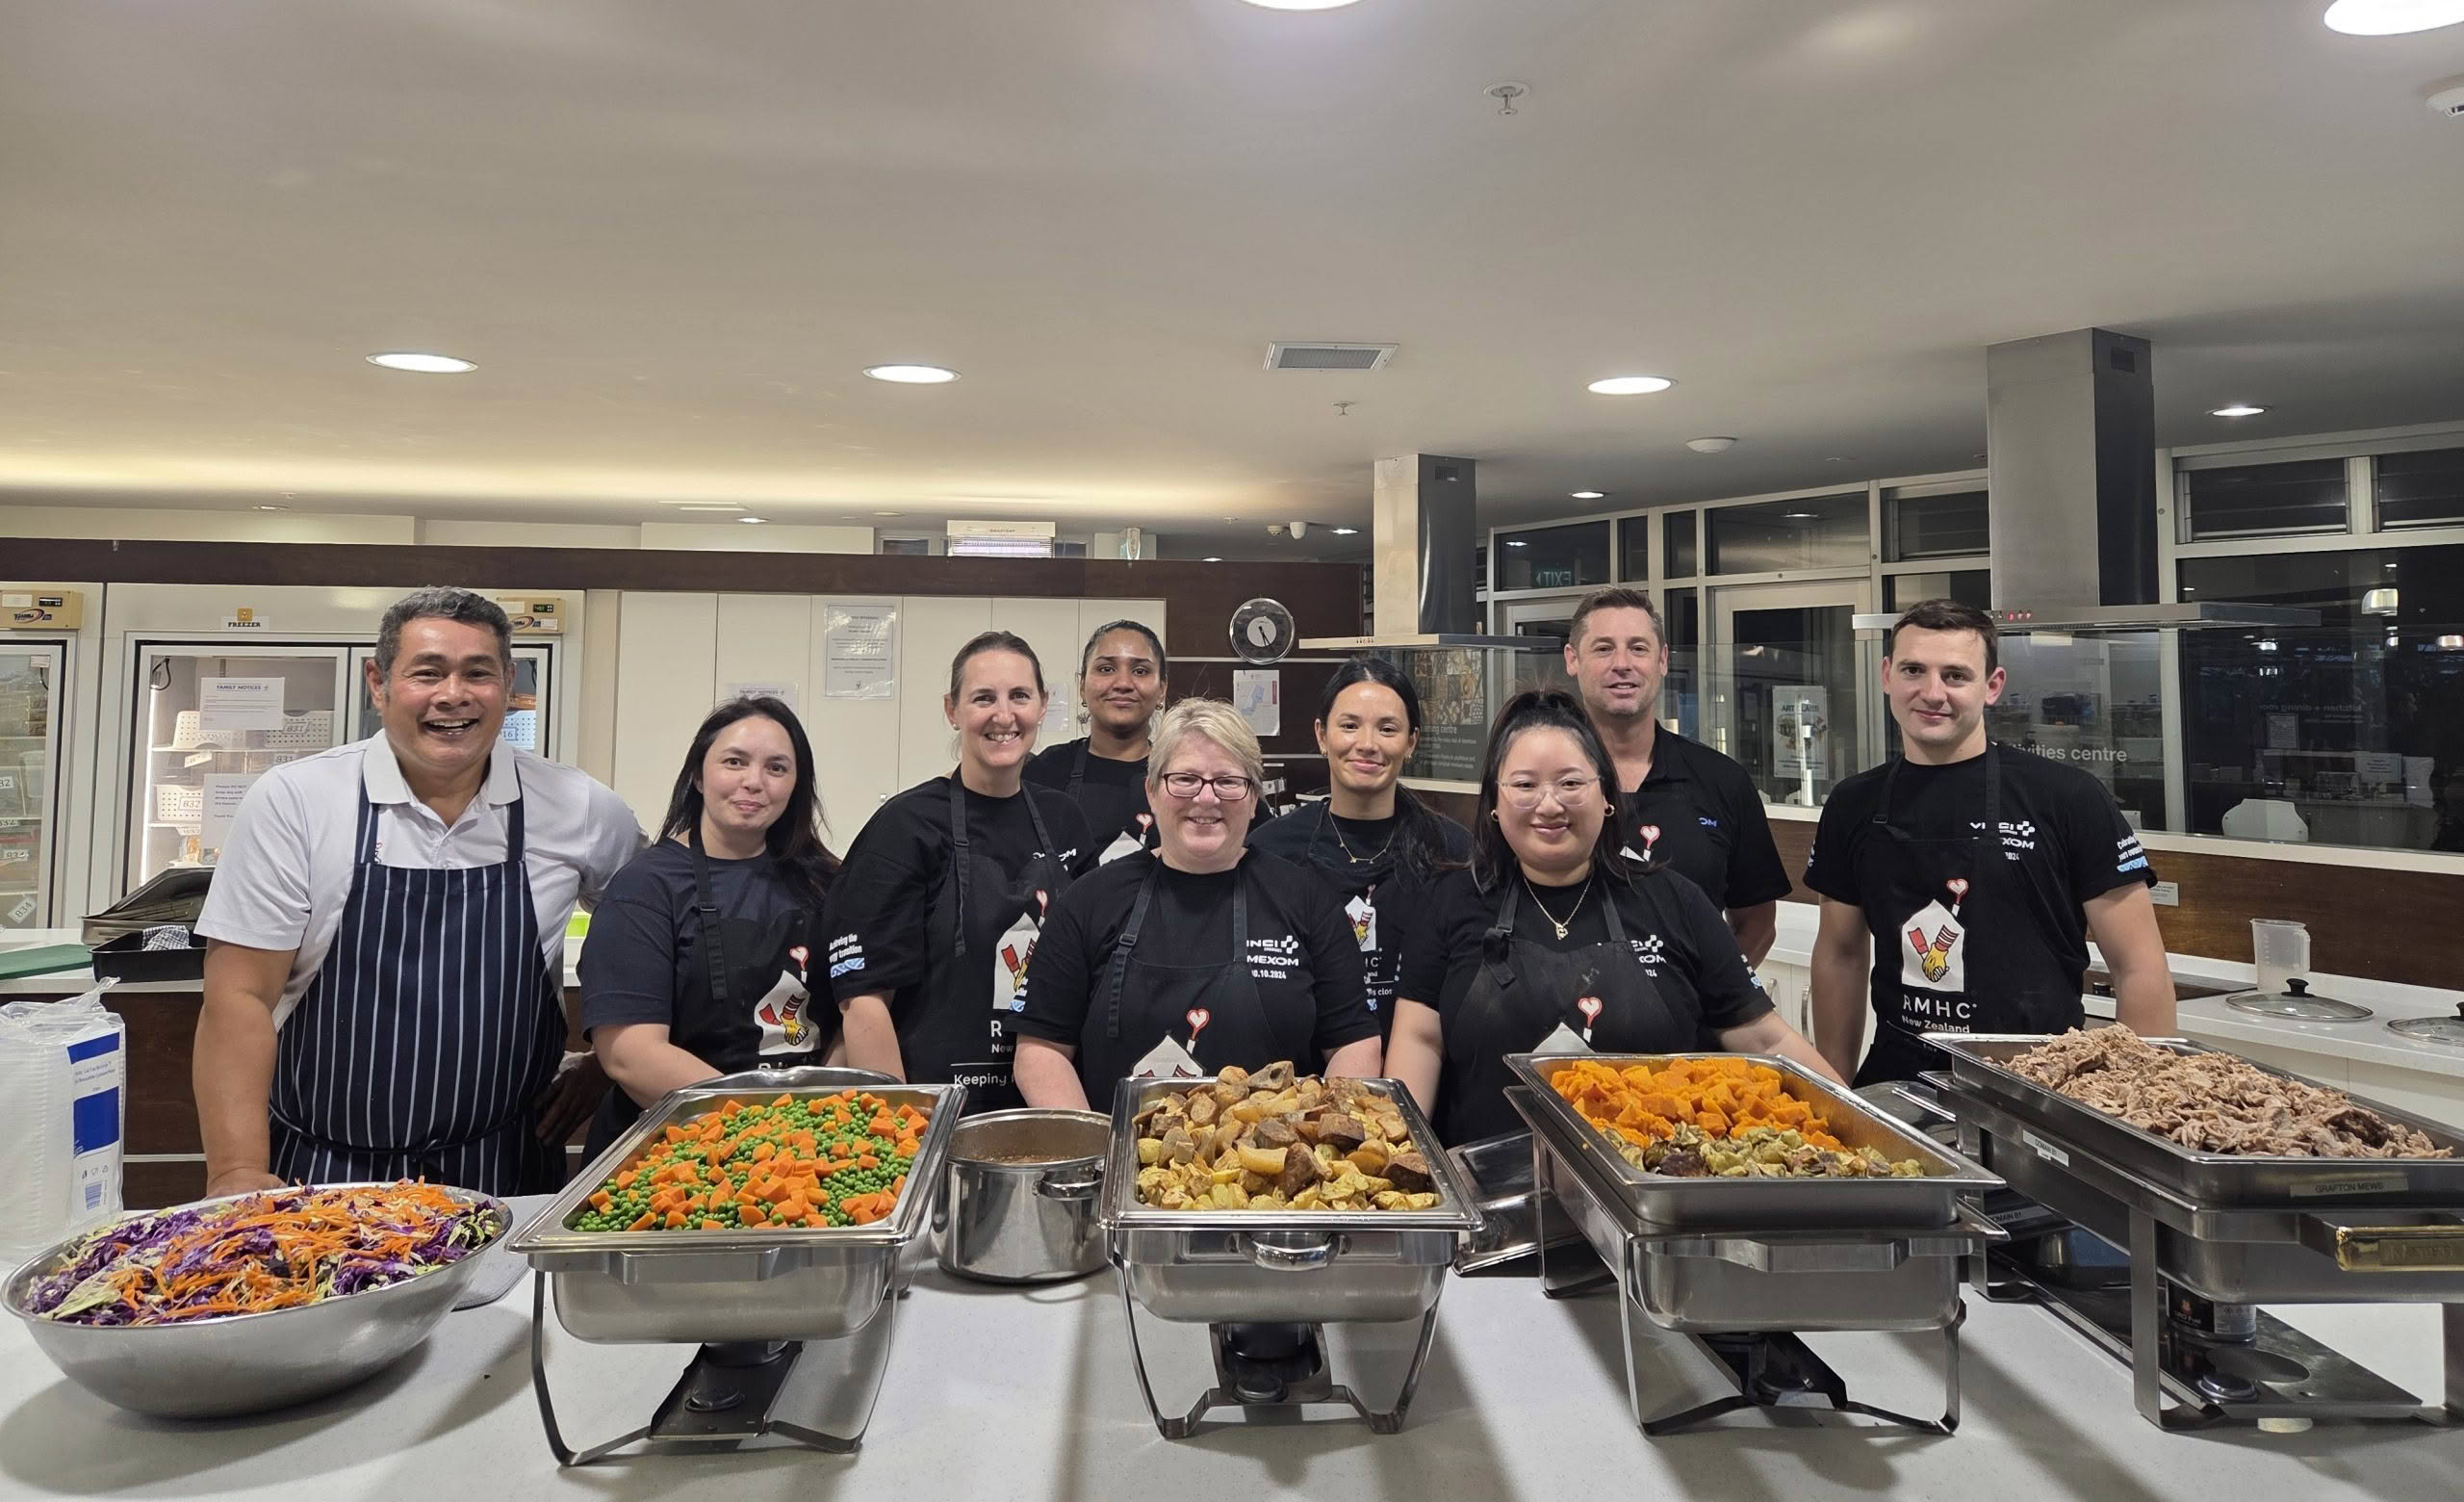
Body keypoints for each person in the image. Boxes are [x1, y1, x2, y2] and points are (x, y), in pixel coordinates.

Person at [192, 587, 640, 1196]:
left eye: (477, 673)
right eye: (426, 673)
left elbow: (662, 934)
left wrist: (605, 1063)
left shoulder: (579, 807)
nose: (452, 695)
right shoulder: (296, 801)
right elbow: (239, 995)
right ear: (378, 683)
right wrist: (237, 1170)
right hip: (323, 1176)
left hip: (506, 1170)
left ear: (508, 684)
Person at [1386, 690, 1839, 1147]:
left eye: (1570, 783)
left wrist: (1861, 1121)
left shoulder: (1674, 901)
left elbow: (1763, 1038)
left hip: (1653, 1193)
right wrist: (1401, 1156)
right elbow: (1420, 1040)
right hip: (1490, 1192)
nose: (1549, 805)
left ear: (1605, 795)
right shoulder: (1451, 901)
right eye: (1524, 785)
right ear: (1495, 804)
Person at [1806, 599, 2177, 1086]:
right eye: (1914, 670)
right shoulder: (1853, 803)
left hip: (2042, 1083)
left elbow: (2140, 968)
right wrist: (1835, 1090)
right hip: (1899, 1078)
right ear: (1886, 676)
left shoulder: (2067, 797)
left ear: (1992, 686)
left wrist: (2135, 1107)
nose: (1932, 692)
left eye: (1956, 675)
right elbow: (1840, 955)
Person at [1012, 698, 1382, 1113]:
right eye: (1185, 779)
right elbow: (1040, 1052)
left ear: (1254, 796)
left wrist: (1322, 1140)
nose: (1206, 799)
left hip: (1273, 1168)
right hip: (1119, 1161)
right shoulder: (1088, 901)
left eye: (1227, 781)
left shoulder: (1307, 899)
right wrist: (1097, 1154)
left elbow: (1354, 1042)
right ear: (1152, 791)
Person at [825, 631, 1091, 1112]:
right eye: (983, 698)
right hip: (934, 1107)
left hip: (1044, 1104)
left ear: (1043, 706)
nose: (1004, 716)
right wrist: (903, 1131)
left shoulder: (1065, 820)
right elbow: (863, 1000)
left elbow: (1088, 966)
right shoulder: (905, 826)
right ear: (952, 710)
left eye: (1020, 697)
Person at [578, 696, 840, 1158]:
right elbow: (630, 1053)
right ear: (698, 775)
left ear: (796, 785)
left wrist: (820, 1120)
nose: (754, 782)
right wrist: (766, 1130)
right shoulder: (644, 888)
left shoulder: (827, 880)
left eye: (777, 768)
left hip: (810, 1144)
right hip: (677, 1150)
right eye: (734, 762)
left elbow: (854, 1012)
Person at [1561, 587, 1790, 967]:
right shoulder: (1535, 783)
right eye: (1603, 648)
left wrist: (1713, 1003)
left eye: (1638, 648)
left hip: (1692, 1025)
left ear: (1663, 660)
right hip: (1564, 1021)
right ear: (1572, 659)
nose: (1622, 663)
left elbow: (1758, 925)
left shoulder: (1722, 781)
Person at [1245, 658, 1471, 1038]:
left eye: (1387, 729)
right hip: (1300, 1081)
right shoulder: (1270, 850)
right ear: (1321, 735)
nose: (1366, 745)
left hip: (1429, 1073)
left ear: (1411, 742)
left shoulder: (1454, 851)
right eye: (1349, 726)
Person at [1025, 619, 1168, 864]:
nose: (1123, 684)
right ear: (1082, 685)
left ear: (1162, 689)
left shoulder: (1182, 777)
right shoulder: (1043, 772)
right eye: (1106, 669)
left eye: (1140, 671)